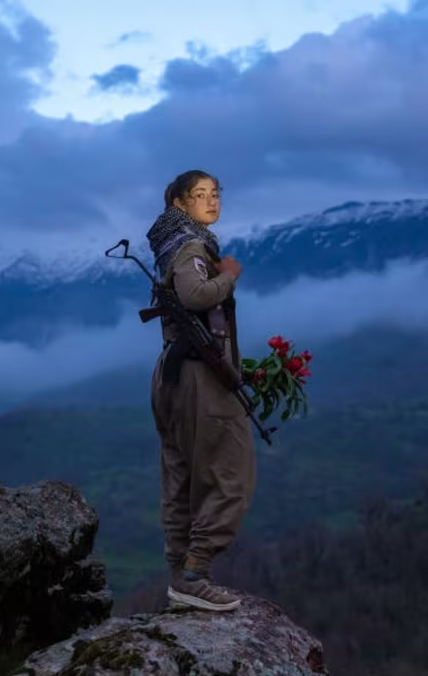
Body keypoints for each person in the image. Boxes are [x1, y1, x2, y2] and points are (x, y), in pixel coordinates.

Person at [145, 169, 256, 612]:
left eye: (215, 194)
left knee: (181, 477)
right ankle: (196, 572)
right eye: (200, 195)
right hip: (196, 379)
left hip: (171, 373)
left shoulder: (167, 244)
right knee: (232, 473)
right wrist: (228, 275)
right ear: (178, 203)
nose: (211, 202)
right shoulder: (191, 246)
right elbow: (195, 297)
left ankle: (180, 577)